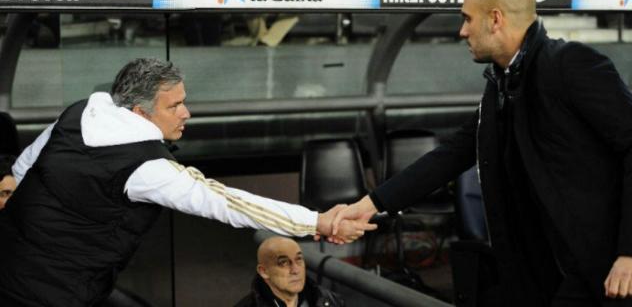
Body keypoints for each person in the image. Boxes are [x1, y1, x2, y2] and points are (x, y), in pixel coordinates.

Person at [331, 0, 632, 306]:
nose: (462, 31)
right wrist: (370, 205)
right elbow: (451, 155)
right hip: (536, 277)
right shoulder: (501, 84)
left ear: (495, 19)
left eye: (467, 19)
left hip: (598, 274)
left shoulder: (570, 64)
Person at [0, 58, 375, 307]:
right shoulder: (147, 166)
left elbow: (23, 168)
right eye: (174, 106)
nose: (187, 113)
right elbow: (228, 203)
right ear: (139, 113)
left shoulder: (80, 112)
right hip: (53, 293)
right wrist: (319, 222)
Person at [235, 236, 344, 307]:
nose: (296, 270)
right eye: (284, 263)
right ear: (264, 271)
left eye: (299, 259)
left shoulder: (329, 301)